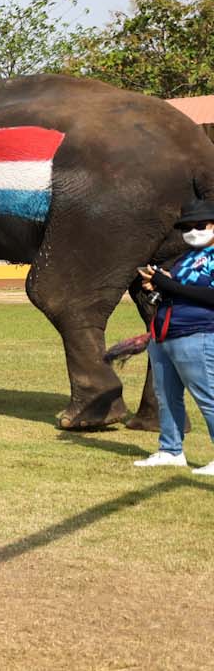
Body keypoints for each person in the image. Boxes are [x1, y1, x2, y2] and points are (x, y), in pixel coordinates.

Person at [132, 197, 214, 474]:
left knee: (208, 396)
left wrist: (166, 282)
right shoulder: (186, 258)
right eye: (187, 227)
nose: (194, 231)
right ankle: (170, 450)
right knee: (166, 396)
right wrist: (155, 284)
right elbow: (174, 291)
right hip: (165, 333)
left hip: (198, 334)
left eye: (201, 225)